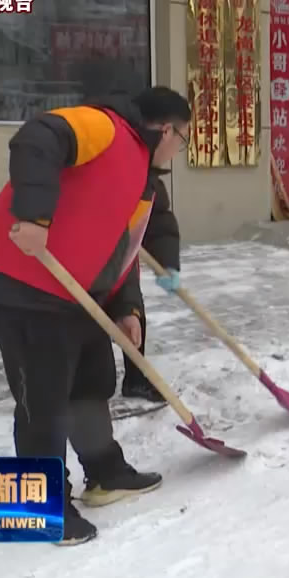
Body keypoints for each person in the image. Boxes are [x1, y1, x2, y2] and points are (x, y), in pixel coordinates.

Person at [0, 87, 192, 546]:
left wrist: (126, 309)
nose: (179, 149)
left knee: (92, 378)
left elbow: (120, 253)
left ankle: (104, 472)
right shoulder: (105, 129)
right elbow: (37, 137)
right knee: (43, 400)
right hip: (20, 291)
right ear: (166, 130)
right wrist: (34, 216)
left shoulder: (144, 180)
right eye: (183, 139)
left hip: (73, 296)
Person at [119, 164, 183, 403]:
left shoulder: (146, 166)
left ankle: (135, 379)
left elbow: (158, 218)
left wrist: (166, 261)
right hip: (82, 247)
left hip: (124, 247)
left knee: (132, 310)